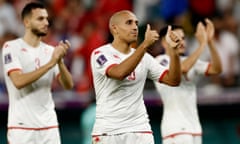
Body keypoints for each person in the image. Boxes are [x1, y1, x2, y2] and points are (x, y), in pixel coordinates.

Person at [90, 10, 182, 144]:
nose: (135, 27)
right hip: (108, 131)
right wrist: (144, 45)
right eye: (129, 23)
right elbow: (119, 73)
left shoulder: (144, 57)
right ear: (114, 29)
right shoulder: (100, 53)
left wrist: (174, 53)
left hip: (140, 129)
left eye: (136, 23)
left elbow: (173, 80)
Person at [2, 2, 73, 144]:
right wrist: (51, 63)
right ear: (27, 22)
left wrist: (59, 62)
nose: (46, 22)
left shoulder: (51, 51)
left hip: (49, 127)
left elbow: (68, 85)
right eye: (40, 19)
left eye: (47, 19)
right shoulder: (11, 47)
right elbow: (19, 81)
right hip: (22, 128)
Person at [153, 19, 222, 144]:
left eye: (183, 38)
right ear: (164, 42)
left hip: (194, 127)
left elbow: (216, 69)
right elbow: (183, 68)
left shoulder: (189, 60)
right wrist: (202, 44)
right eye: (176, 38)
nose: (182, 42)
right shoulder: (160, 61)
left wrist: (210, 42)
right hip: (175, 129)